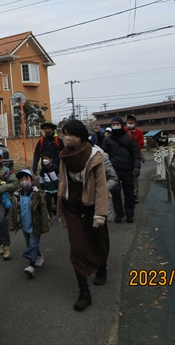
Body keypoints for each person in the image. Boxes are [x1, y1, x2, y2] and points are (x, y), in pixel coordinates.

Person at [58, 120, 110, 311]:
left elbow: (101, 186)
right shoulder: (64, 156)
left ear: (80, 136)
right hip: (72, 206)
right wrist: (61, 211)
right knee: (77, 247)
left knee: (99, 239)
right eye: (64, 134)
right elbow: (62, 184)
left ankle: (102, 267)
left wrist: (100, 213)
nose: (66, 138)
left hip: (92, 204)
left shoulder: (94, 155)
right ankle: (84, 292)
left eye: (70, 134)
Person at [9, 169, 50, 278]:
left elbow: (43, 210)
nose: (23, 181)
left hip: (35, 225)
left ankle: (31, 266)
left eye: (26, 178)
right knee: (30, 244)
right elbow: (14, 211)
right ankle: (38, 256)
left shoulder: (37, 194)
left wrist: (45, 224)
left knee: (32, 244)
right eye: (21, 179)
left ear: (32, 181)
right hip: (24, 225)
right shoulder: (17, 195)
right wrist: (12, 224)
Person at [101, 116, 141, 223]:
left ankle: (130, 214)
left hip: (128, 169)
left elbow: (135, 153)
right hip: (114, 170)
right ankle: (119, 213)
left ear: (121, 124)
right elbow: (103, 154)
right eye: (113, 124)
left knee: (129, 193)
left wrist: (137, 166)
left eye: (117, 124)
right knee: (115, 193)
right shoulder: (107, 139)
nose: (115, 126)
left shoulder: (130, 137)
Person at [32, 121, 64, 217]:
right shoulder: (41, 141)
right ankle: (48, 214)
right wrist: (35, 166)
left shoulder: (58, 141)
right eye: (45, 129)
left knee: (58, 190)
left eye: (49, 129)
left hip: (57, 169)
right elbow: (37, 154)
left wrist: (58, 163)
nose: (47, 130)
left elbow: (64, 152)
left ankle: (60, 211)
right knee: (48, 191)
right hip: (45, 170)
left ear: (53, 130)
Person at [125, 115, 145, 203]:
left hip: (135, 155)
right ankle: (127, 194)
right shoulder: (123, 131)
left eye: (132, 121)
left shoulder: (139, 132)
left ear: (135, 122)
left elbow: (141, 143)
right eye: (128, 120)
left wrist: (134, 148)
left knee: (134, 176)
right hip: (124, 155)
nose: (130, 122)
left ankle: (135, 194)